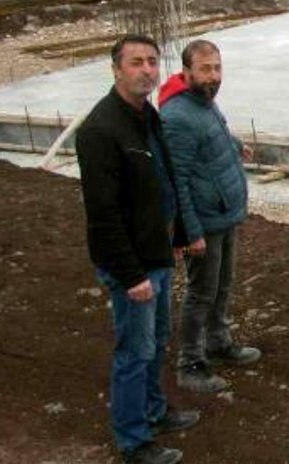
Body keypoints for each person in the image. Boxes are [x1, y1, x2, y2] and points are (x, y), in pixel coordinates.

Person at [76, 34, 199, 464]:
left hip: (158, 254)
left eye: (152, 61)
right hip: (135, 266)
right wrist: (132, 276)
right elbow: (103, 216)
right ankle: (133, 441)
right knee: (134, 351)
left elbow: (163, 185)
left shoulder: (147, 115)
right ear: (116, 70)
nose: (147, 69)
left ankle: (154, 410)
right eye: (136, 62)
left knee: (157, 339)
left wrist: (177, 238)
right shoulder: (100, 130)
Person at [160, 39, 260, 395]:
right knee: (201, 292)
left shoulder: (202, 103)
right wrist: (190, 231)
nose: (213, 75)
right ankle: (190, 363)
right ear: (186, 72)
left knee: (223, 285)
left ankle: (218, 342)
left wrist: (235, 145)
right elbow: (178, 180)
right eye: (205, 69)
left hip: (224, 213)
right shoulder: (176, 117)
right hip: (204, 221)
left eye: (217, 68)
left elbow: (213, 132)